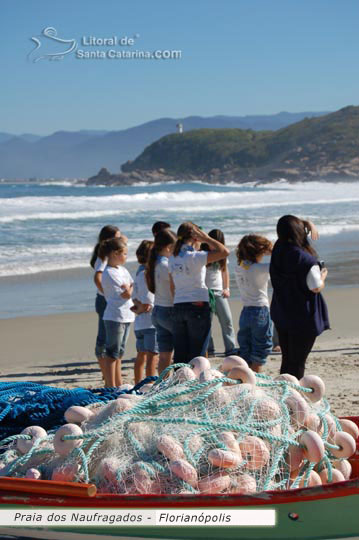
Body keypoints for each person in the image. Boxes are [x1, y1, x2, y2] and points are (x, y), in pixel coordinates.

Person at [270, 215, 329, 378]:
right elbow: (316, 287)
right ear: (299, 231)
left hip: (282, 312)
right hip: (302, 317)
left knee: (288, 359)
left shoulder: (278, 249)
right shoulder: (306, 260)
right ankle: (293, 398)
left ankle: (283, 391)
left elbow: (287, 227)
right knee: (298, 362)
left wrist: (307, 223)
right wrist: (323, 276)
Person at [168, 222, 230, 364]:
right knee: (197, 353)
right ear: (196, 238)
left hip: (178, 304)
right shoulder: (195, 256)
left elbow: (172, 285)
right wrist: (207, 238)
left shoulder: (172, 257)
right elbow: (224, 252)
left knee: (180, 353)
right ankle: (195, 383)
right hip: (197, 304)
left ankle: (180, 382)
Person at [98, 237, 135, 387]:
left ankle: (118, 383)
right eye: (124, 254)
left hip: (127, 314)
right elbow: (126, 293)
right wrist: (130, 289)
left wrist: (130, 288)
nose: (126, 257)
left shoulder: (123, 270)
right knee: (112, 353)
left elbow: (132, 286)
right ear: (114, 254)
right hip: (115, 316)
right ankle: (110, 384)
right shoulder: (109, 272)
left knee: (119, 352)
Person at [235, 235, 273, 373]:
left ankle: (246, 379)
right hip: (260, 310)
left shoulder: (239, 267)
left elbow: (247, 264)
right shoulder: (260, 268)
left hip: (245, 312)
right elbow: (281, 262)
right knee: (260, 350)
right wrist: (272, 250)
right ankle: (255, 379)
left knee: (246, 349)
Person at [90, 225, 121, 381]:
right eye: (117, 237)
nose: (120, 240)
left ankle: (110, 374)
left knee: (113, 338)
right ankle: (106, 374)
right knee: (104, 338)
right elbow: (97, 277)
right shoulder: (103, 257)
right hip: (104, 299)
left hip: (106, 298)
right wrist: (106, 293)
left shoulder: (108, 254)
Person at [146, 229, 177, 374]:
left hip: (157, 309)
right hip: (168, 309)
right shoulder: (166, 265)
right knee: (181, 349)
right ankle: (178, 381)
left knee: (164, 354)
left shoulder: (154, 263)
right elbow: (173, 288)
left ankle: (163, 384)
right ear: (168, 247)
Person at [204, 229, 236, 357]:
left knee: (227, 320)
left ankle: (231, 349)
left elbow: (224, 271)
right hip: (206, 292)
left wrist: (227, 287)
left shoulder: (222, 254)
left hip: (219, 291)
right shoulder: (204, 254)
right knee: (207, 323)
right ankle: (210, 350)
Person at [132, 240, 158, 384]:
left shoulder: (138, 274)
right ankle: (150, 385)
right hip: (150, 323)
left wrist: (138, 307)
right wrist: (143, 307)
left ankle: (137, 383)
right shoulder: (148, 274)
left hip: (140, 324)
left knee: (141, 356)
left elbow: (134, 298)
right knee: (152, 356)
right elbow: (148, 303)